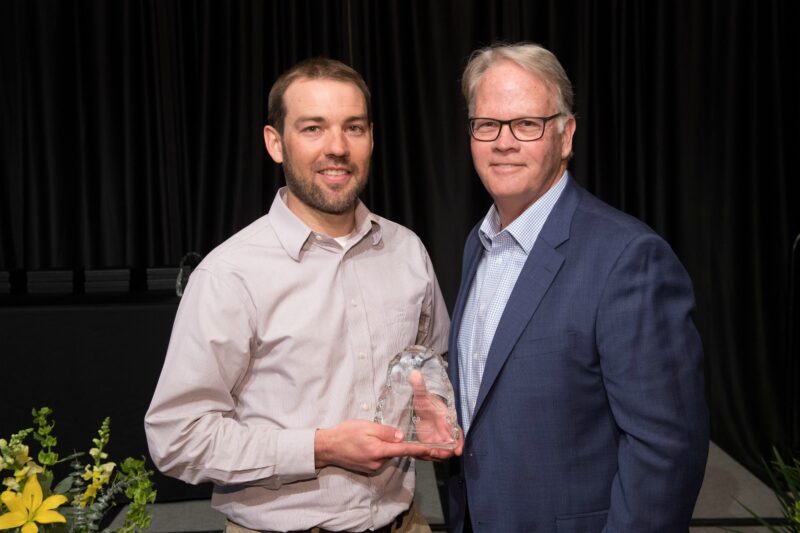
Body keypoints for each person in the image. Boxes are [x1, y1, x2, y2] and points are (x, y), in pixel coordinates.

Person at [145, 57, 461, 533]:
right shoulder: (230, 275)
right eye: (313, 128)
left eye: (353, 127)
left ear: (371, 137)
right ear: (276, 143)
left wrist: (434, 408)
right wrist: (320, 447)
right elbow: (176, 438)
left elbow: (434, 366)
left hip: (406, 523)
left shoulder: (406, 251)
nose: (337, 147)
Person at [446, 42, 709, 532]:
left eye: (527, 124)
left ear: (565, 135)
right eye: (487, 125)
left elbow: (666, 453)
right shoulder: (478, 245)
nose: (504, 142)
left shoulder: (627, 257)